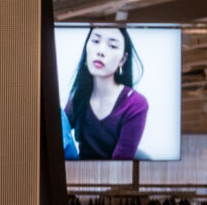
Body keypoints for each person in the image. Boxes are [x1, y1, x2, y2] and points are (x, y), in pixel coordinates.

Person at [64, 25, 149, 161]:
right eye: (95, 41)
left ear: (123, 59)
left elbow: (120, 164)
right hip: (80, 171)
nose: (101, 51)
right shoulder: (79, 98)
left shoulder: (135, 104)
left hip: (114, 173)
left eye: (112, 46)